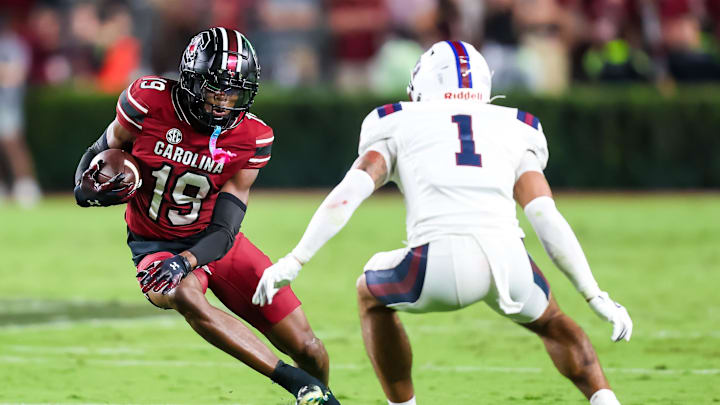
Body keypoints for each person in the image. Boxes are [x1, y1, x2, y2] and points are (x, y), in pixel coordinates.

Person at [253, 40, 633, 405]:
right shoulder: (517, 125)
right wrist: (593, 293)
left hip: (438, 264)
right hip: (508, 260)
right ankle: (607, 399)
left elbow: (350, 191)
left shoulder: (396, 120)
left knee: (370, 295)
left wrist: (296, 259)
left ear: (424, 83)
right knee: (554, 321)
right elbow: (544, 214)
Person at [73, 27, 340, 405]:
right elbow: (100, 150)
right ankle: (295, 383)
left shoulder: (253, 137)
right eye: (215, 89)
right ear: (191, 81)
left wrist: (189, 259)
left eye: (233, 91)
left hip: (217, 245)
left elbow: (226, 227)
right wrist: (85, 187)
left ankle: (315, 394)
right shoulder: (148, 101)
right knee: (184, 294)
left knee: (310, 348)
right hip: (156, 245)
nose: (224, 101)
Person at [0, 17, 42, 207]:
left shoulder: (13, 45)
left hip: (8, 103)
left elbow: (17, 73)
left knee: (13, 144)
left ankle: (26, 186)